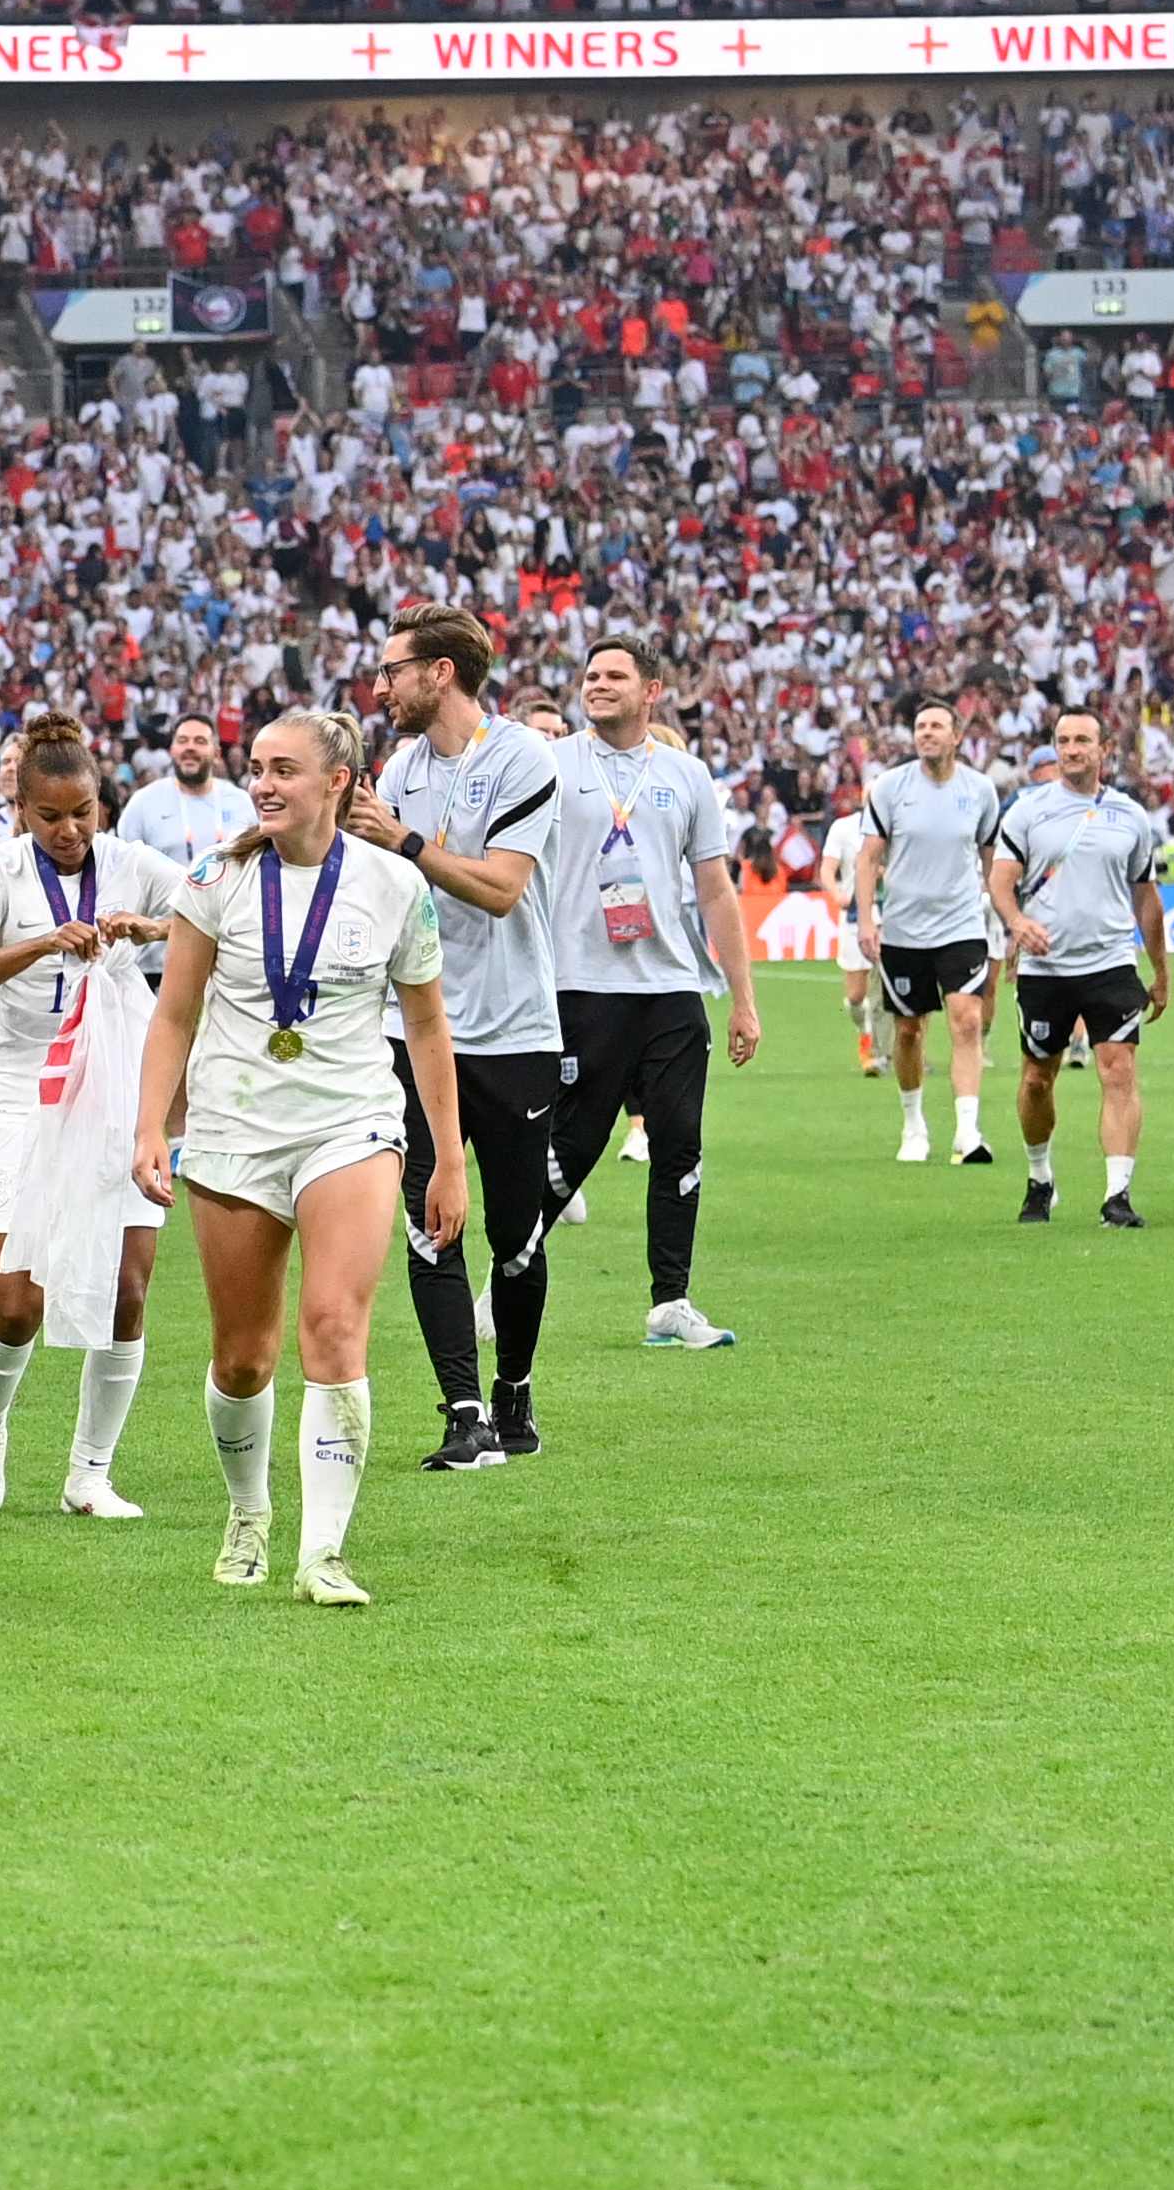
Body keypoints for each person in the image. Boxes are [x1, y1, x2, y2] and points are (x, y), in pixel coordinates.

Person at [130, 709, 459, 1609]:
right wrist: (151, 1124)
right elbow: (174, 1013)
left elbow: (428, 1024)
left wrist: (448, 1158)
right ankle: (249, 1513)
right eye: (257, 768)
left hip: (351, 1126)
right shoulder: (218, 879)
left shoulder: (396, 885)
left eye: (283, 769)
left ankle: (324, 1552)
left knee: (334, 1328)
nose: (264, 784)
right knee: (243, 1357)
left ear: (338, 781)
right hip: (235, 1131)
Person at [0, 714, 183, 1517]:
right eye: (51, 815)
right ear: (19, 809)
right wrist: (42, 943)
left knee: (126, 1288)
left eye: (84, 810)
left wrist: (150, 927)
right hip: (23, 1089)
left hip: (117, 1092)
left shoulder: (134, 863)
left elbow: (213, 922)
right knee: (19, 1302)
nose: (71, 829)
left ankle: (91, 1473)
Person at [360, 603, 565, 1467]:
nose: (382, 685)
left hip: (513, 1028)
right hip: (415, 1030)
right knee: (427, 1221)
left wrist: (403, 842)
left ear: (440, 672)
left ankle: (514, 1391)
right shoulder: (401, 765)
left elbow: (502, 888)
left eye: (394, 669)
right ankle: (464, 1410)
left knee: (516, 1239)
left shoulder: (522, 756)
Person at [547, 638, 757, 1346]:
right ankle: (507, 1271)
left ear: (653, 690)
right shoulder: (551, 764)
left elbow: (715, 888)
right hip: (580, 986)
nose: (598, 685)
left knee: (680, 1145)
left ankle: (672, 1303)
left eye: (615, 675)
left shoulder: (687, 775)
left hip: (670, 987)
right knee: (570, 1148)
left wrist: (743, 997)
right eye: (591, 675)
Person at [985, 708, 1169, 1229]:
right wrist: (1017, 921)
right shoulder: (1027, 811)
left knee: (1118, 1069)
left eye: (1082, 740)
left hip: (1111, 961)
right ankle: (1041, 1178)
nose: (1072, 749)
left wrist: (1160, 968)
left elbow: (1146, 896)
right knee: (1038, 1079)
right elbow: (1001, 879)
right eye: (1063, 740)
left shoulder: (1130, 815)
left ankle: (1118, 1194)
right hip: (1046, 967)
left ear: (1103, 749)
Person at [851, 700, 1000, 1166]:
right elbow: (869, 858)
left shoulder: (980, 790)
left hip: (962, 924)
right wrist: (867, 918)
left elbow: (993, 858)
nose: (926, 733)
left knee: (968, 1019)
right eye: (920, 726)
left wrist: (1004, 918)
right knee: (910, 1031)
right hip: (905, 929)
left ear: (957, 736)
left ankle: (967, 1130)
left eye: (936, 725)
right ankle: (914, 1124)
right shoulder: (891, 788)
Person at [115, 715, 259, 876]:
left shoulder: (242, 803)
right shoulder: (142, 803)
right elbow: (122, 871)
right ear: (172, 750)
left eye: (200, 741)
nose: (190, 747)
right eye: (182, 740)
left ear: (217, 753)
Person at [821, 790, 883, 1076]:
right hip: (855, 918)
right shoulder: (843, 829)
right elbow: (827, 869)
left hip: (892, 916)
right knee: (856, 996)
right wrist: (836, 893)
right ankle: (866, 1036)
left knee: (898, 991)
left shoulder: (897, 827)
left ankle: (896, 1050)